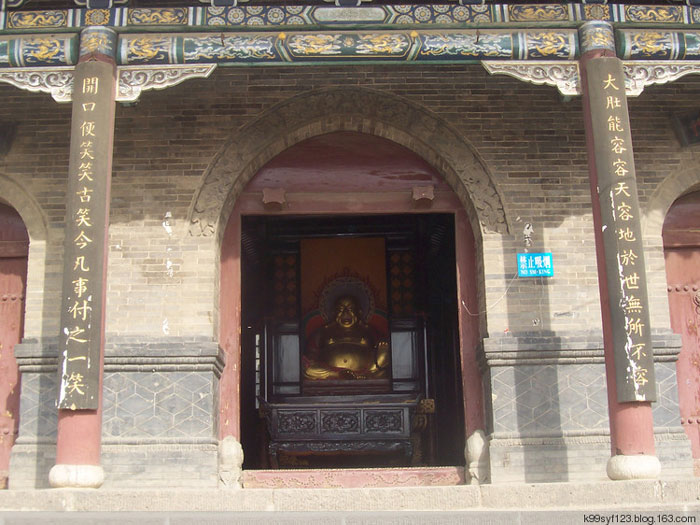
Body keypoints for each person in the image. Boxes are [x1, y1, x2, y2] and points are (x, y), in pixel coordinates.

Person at [303, 295, 389, 380]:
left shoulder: (369, 330)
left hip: (367, 371)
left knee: (385, 354)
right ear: (334, 312)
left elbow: (383, 347)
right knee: (308, 370)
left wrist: (383, 349)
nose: (345, 313)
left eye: (351, 309)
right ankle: (340, 375)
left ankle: (366, 375)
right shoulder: (323, 331)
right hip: (331, 373)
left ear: (359, 312)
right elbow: (311, 353)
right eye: (340, 310)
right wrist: (312, 361)